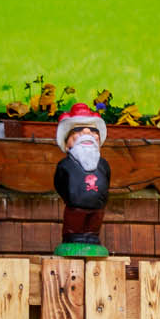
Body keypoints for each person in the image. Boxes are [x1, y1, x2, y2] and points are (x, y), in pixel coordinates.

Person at [53, 104, 111, 255]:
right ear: (67, 143)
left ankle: (92, 236)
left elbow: (107, 178)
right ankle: (72, 237)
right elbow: (59, 182)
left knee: (95, 222)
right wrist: (70, 197)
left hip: (98, 205)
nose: (87, 133)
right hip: (75, 204)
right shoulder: (66, 164)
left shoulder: (103, 164)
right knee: (74, 223)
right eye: (78, 130)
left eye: (93, 131)